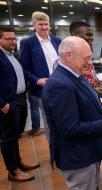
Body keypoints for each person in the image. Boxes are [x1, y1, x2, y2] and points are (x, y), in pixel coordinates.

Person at [42, 36, 102, 190]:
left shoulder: (76, 74)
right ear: (68, 56)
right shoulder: (60, 84)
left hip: (88, 153)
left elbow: (87, 105)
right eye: (86, 58)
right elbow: (69, 129)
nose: (90, 63)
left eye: (91, 58)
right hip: (78, 157)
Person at [0, 26, 40, 182]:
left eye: (14, 38)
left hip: (21, 99)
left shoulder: (14, 55)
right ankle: (13, 171)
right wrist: (2, 104)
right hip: (8, 103)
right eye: (8, 39)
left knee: (16, 135)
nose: (12, 41)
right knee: (8, 138)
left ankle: (19, 164)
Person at [19, 11, 61, 142]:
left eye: (46, 24)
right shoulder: (27, 43)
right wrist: (37, 80)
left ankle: (65, 147)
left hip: (61, 86)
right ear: (34, 26)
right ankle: (54, 150)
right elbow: (23, 68)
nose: (44, 27)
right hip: (42, 89)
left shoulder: (57, 40)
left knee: (63, 117)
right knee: (49, 121)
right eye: (40, 24)